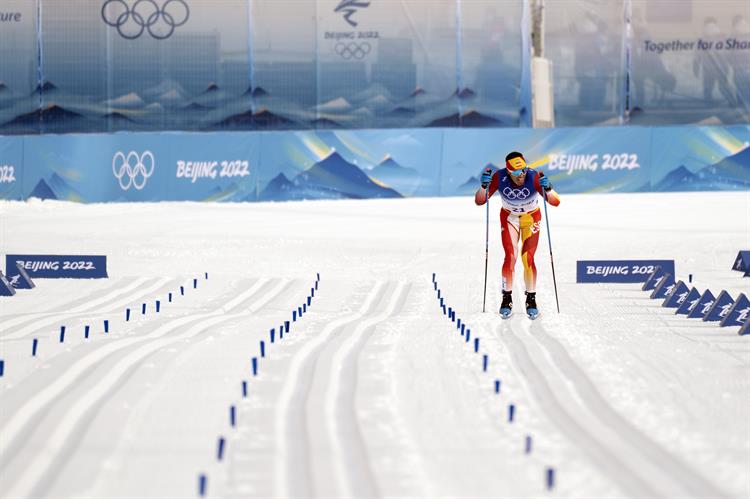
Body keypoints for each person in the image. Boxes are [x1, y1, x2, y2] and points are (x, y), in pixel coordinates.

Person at [474, 151, 561, 318]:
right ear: (508, 171)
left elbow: (555, 202)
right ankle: (506, 299)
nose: (520, 176)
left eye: (522, 171)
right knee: (510, 257)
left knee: (528, 258)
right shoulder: (499, 177)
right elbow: (480, 201)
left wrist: (549, 189)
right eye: (515, 173)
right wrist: (483, 187)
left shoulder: (534, 177)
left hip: (531, 217)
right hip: (509, 218)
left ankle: (531, 299)